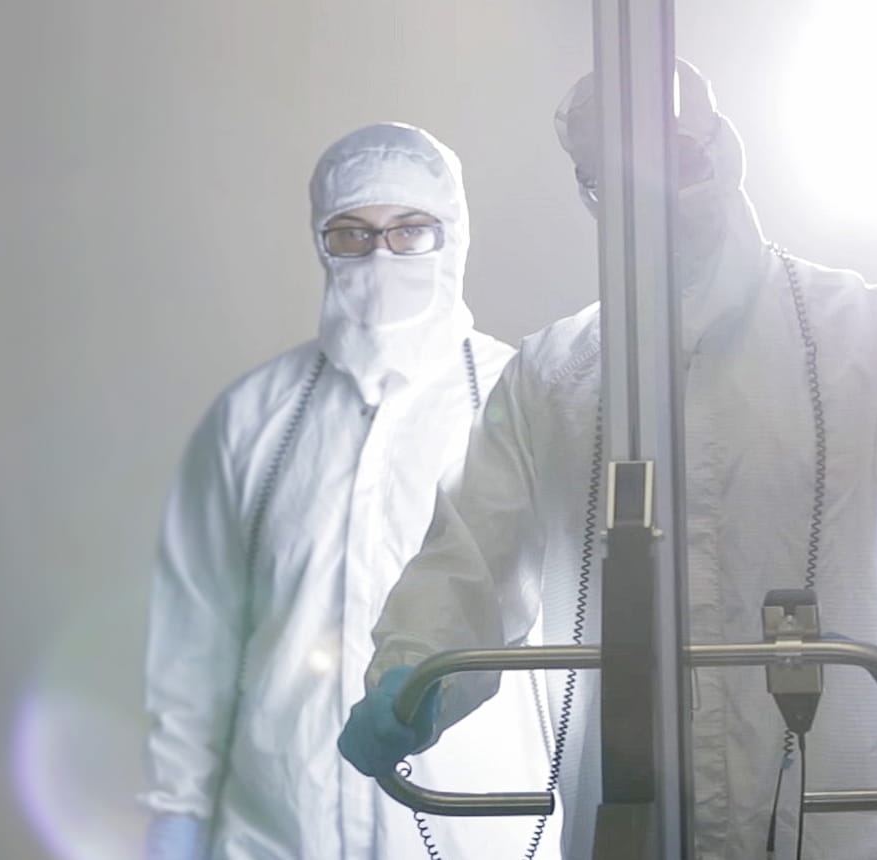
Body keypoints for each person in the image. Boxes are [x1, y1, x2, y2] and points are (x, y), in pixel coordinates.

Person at [338, 62, 877, 859]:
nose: (648, 191)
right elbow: (468, 562)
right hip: (632, 818)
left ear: (722, 152)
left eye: (673, 157)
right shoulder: (552, 376)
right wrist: (410, 676)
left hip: (849, 819)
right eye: (611, 178)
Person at [142, 123, 555, 860]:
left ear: (454, 236)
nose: (382, 256)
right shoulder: (252, 420)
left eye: (410, 232)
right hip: (275, 832)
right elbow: (193, 642)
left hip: (476, 829)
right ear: (319, 242)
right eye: (353, 235)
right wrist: (177, 815)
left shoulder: (520, 400)